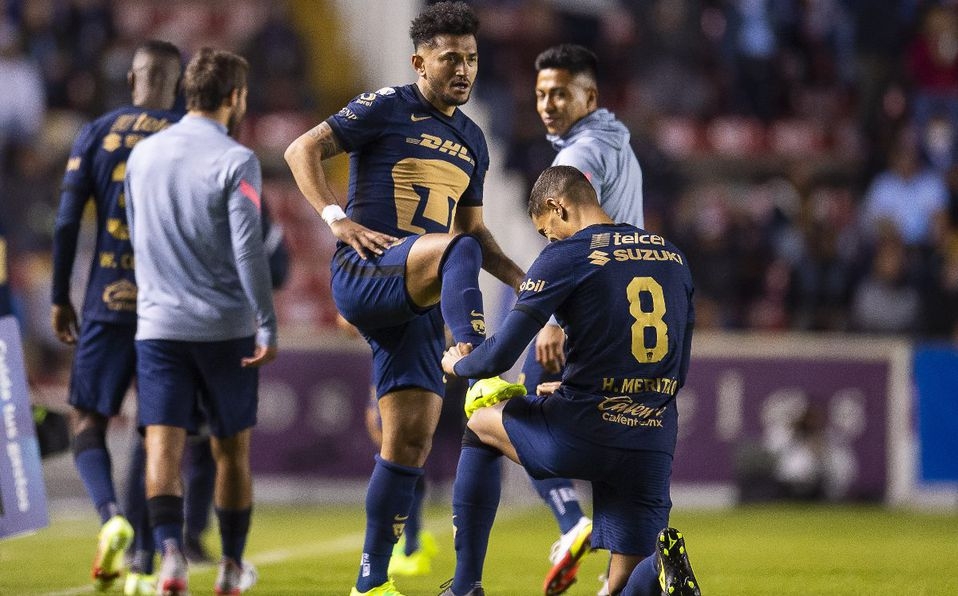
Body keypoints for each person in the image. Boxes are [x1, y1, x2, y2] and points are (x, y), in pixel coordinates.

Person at [284, 2, 525, 594]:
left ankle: (370, 583)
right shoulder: (387, 105)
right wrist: (336, 218)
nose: (464, 70)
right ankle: (476, 363)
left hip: (416, 294)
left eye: (471, 58)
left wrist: (529, 283)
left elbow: (474, 235)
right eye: (450, 59)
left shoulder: (471, 139)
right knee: (452, 254)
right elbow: (300, 150)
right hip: (368, 271)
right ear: (420, 61)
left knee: (408, 443)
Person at [440, 165, 700, 596]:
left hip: (585, 430)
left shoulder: (567, 256)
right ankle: (661, 567)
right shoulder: (671, 255)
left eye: (547, 230)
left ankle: (465, 586)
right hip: (652, 437)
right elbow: (679, 363)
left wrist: (459, 365)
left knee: (481, 422)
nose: (549, 240)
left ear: (555, 206)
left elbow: (502, 353)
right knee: (620, 585)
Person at [125, 47, 277, 596]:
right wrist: (267, 322)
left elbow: (137, 233)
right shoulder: (237, 160)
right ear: (234, 97)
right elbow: (249, 251)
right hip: (225, 329)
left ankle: (169, 559)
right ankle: (232, 567)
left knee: (162, 446)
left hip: (159, 327)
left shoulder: (143, 156)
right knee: (230, 451)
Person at [49, 39, 183, 592]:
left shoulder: (97, 131)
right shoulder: (189, 134)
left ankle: (111, 518)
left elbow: (63, 223)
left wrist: (61, 296)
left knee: (88, 421)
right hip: (168, 308)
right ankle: (144, 556)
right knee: (156, 433)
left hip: (106, 299)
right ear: (174, 84)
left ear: (133, 80)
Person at [520, 43, 646, 595]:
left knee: (510, 412)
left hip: (592, 314)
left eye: (560, 93)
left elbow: (575, 222)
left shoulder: (579, 155)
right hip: (634, 314)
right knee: (625, 455)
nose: (547, 103)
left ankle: (571, 523)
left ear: (589, 96)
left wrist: (551, 317)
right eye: (542, 93)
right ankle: (628, 572)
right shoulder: (617, 141)